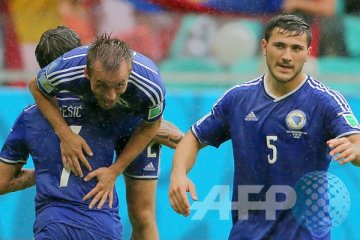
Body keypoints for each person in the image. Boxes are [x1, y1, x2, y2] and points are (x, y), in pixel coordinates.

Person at [169, 14, 360, 240]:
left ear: (308, 53)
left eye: (296, 48)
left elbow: (356, 142)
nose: (287, 56)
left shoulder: (325, 102)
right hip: (247, 233)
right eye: (279, 45)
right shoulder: (238, 98)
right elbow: (193, 137)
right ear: (264, 46)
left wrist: (356, 151)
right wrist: (178, 173)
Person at [28, 26, 183, 240]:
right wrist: (65, 134)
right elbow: (36, 87)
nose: (110, 95)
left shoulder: (152, 84)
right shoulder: (67, 67)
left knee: (143, 216)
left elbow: (150, 126)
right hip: (102, 124)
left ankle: (167, 130)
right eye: (102, 85)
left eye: (119, 86)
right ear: (86, 72)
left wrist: (114, 171)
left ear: (129, 73)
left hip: (138, 129)